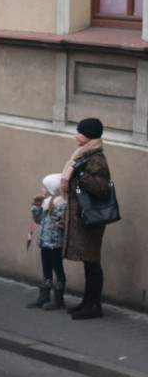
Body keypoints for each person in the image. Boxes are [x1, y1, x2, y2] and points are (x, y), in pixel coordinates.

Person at [62, 118, 112, 320]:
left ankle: (94, 305)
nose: (76, 135)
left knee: (92, 261)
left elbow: (102, 189)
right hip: (82, 217)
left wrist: (82, 174)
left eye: (79, 132)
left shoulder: (96, 159)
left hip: (91, 219)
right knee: (88, 262)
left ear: (89, 135)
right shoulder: (84, 155)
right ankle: (87, 302)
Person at [27, 174, 68, 310]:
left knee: (58, 269)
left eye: (45, 187)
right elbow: (39, 220)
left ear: (52, 189)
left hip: (55, 243)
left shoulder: (62, 204)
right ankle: (44, 295)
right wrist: (36, 206)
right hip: (45, 242)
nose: (43, 189)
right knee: (46, 268)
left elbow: (61, 221)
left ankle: (58, 298)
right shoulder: (47, 202)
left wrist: (62, 222)